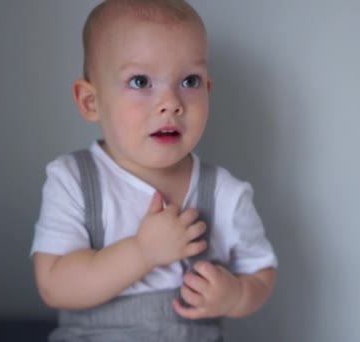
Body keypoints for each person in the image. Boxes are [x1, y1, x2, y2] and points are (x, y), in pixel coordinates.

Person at [31, 0, 277, 340]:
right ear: (91, 102)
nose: (171, 102)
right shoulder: (74, 179)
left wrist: (236, 295)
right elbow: (54, 285)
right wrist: (142, 252)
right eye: (140, 81)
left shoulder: (224, 192)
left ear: (208, 91)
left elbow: (260, 273)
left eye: (190, 81)